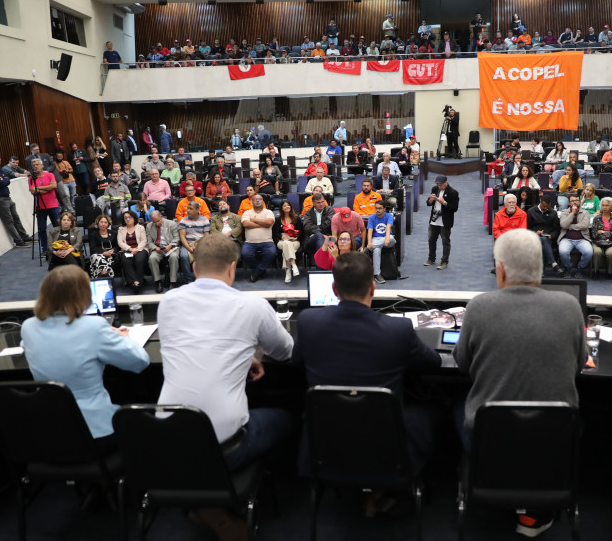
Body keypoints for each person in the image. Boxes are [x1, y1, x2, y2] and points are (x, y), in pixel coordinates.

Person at [157, 233, 294, 536]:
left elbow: (201, 344)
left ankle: (205, 503)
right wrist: (252, 351)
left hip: (168, 442)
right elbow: (285, 352)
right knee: (286, 417)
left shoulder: (168, 302)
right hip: (226, 448)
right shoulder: (252, 306)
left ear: (193, 267)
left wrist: (246, 355)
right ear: (233, 268)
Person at [455, 229, 586, 537]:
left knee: (454, 407)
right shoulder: (569, 308)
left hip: (490, 440)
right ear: (540, 267)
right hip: (554, 444)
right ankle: (534, 513)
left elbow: (463, 365)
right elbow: (579, 365)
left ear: (500, 270)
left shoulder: (478, 307)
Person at [296, 251, 441, 477]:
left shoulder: (307, 322)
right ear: (373, 288)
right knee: (431, 409)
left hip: (326, 438)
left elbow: (295, 361)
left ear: (334, 289)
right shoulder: (398, 330)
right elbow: (434, 363)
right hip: (385, 440)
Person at [22, 266, 150, 453]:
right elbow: (140, 361)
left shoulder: (28, 327)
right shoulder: (94, 326)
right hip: (95, 433)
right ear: (83, 294)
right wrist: (122, 338)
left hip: (50, 432)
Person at [0, 151, 31, 248]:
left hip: (7, 196)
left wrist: (3, 179)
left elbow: (7, 180)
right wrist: (3, 180)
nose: (1, 158)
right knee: (9, 221)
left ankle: (24, 236)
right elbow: (1, 183)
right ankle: (18, 241)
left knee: (16, 218)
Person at [425, 175, 459, 270]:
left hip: (445, 221)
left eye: (441, 185)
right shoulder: (434, 189)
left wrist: (444, 202)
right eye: (438, 185)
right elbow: (428, 203)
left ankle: (444, 261)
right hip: (434, 220)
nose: (439, 187)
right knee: (431, 240)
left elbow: (454, 208)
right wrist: (430, 200)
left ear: (446, 182)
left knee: (445, 242)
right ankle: (431, 258)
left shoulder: (453, 192)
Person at [240, 194, 276, 283]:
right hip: (250, 242)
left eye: (259, 199)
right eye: (255, 199)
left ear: (263, 201)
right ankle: (260, 270)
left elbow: (269, 223)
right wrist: (263, 224)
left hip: (267, 241)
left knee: (272, 253)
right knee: (245, 254)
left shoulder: (268, 212)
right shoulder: (247, 213)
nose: (257, 200)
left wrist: (254, 220)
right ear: (252, 202)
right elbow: (245, 224)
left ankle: (257, 272)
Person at [527, 193, 563, 276]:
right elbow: (527, 228)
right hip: (533, 238)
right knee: (542, 240)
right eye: (543, 206)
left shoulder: (553, 213)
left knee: (543, 241)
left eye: (547, 207)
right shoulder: (531, 211)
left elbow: (557, 230)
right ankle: (554, 263)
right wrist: (535, 233)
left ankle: (541, 271)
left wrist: (552, 236)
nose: (545, 208)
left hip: (548, 238)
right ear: (540, 202)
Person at [557, 194, 593, 278]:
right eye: (572, 201)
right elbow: (563, 225)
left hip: (582, 238)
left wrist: (571, 227)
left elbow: (585, 225)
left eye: (576, 200)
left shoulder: (585, 212)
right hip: (567, 238)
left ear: (580, 202)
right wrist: (572, 213)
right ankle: (569, 267)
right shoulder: (564, 212)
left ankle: (580, 268)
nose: (575, 203)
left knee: (589, 252)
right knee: (563, 251)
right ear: (569, 203)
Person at [177, 201, 210, 285]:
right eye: (188, 208)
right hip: (187, 244)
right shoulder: (183, 220)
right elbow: (182, 237)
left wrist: (199, 247)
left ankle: (202, 278)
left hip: (201, 243)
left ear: (197, 210)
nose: (188, 210)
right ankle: (188, 280)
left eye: (190, 209)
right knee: (183, 256)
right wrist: (189, 248)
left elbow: (207, 236)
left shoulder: (204, 220)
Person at [147, 210, 180, 293]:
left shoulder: (171, 224)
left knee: (174, 257)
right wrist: (155, 248)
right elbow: (149, 242)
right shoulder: (149, 226)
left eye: (158, 221)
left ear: (161, 217)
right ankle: (157, 282)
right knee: (152, 258)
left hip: (171, 247)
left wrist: (170, 246)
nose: (157, 224)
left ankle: (173, 282)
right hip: (158, 249)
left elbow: (177, 238)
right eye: (154, 222)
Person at [117, 210, 148, 292]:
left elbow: (144, 241)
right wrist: (130, 249)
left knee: (139, 259)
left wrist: (136, 249)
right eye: (125, 218)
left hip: (140, 249)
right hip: (127, 250)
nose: (128, 219)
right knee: (126, 260)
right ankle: (134, 281)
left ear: (134, 218)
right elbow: (120, 242)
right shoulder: (121, 229)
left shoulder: (140, 227)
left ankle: (139, 281)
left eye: (130, 217)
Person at [366, 200, 395, 284]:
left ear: (384, 209)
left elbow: (388, 227)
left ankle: (367, 249)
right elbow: (370, 231)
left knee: (391, 238)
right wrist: (369, 242)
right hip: (376, 239)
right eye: (376, 208)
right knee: (377, 250)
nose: (377, 210)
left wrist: (386, 239)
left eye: (380, 208)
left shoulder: (389, 216)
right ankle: (377, 274)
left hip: (387, 239)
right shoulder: (372, 217)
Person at [590, 197, 612, 278]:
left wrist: (602, 232)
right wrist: (610, 232)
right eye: (603, 205)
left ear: (611, 207)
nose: (604, 207)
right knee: (597, 252)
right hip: (597, 241)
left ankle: (609, 272)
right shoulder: (596, 218)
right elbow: (594, 234)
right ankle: (596, 271)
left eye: (607, 205)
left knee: (611, 253)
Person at [274, 199, 302, 283]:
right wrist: (282, 237)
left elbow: (301, 232)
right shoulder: (278, 220)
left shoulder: (297, 219)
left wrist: (296, 238)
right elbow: (275, 234)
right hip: (282, 242)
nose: (287, 207)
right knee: (286, 243)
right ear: (281, 208)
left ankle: (288, 272)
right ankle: (294, 264)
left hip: (295, 241)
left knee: (287, 248)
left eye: (288, 205)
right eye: (285, 205)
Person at [301, 193, 335, 257]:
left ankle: (322, 262)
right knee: (319, 235)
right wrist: (321, 234)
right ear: (313, 204)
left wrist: (319, 230)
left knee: (332, 241)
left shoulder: (330, 210)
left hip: (329, 236)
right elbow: (307, 226)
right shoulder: (309, 212)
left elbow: (330, 222)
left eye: (322, 202)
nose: (321, 204)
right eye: (318, 203)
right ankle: (322, 260)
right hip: (312, 238)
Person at [89, 214, 118, 279]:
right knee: (97, 258)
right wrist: (103, 253)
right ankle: (106, 276)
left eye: (105, 222)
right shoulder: (94, 235)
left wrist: (113, 250)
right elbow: (93, 248)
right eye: (101, 222)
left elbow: (117, 246)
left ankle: (103, 278)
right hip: (99, 254)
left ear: (108, 224)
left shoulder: (113, 233)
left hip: (112, 255)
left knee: (100, 260)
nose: (103, 224)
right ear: (98, 223)